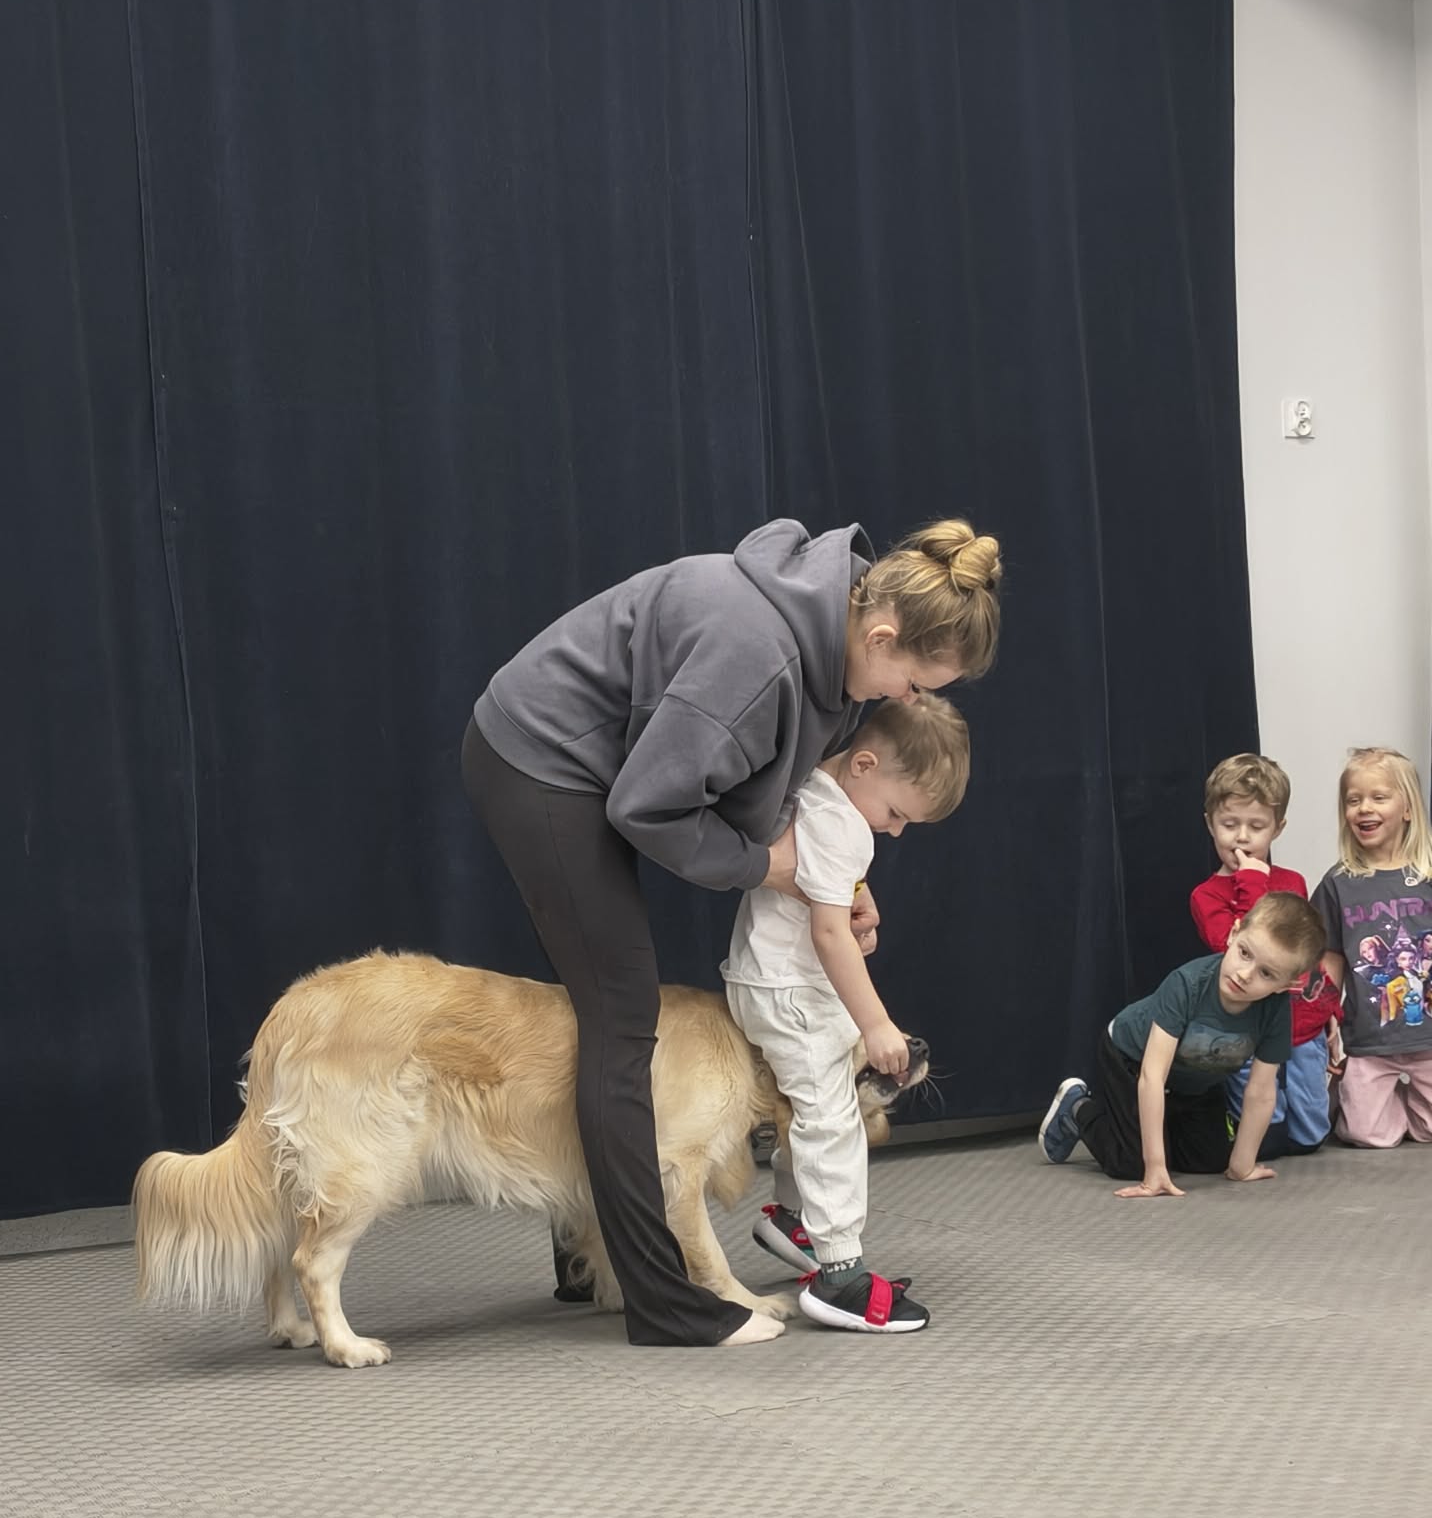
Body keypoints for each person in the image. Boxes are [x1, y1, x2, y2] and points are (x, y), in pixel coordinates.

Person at [463, 516, 1002, 1347]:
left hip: (609, 765)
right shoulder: (760, 654)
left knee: (603, 1007)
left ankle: (588, 1256)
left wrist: (841, 888)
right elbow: (650, 807)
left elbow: (774, 794)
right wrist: (769, 869)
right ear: (881, 635)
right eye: (911, 683)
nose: (906, 702)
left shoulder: (835, 646)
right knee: (622, 1015)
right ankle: (663, 1299)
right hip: (540, 756)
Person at [722, 694, 969, 1333]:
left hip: (762, 980)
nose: (895, 831)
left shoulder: (810, 786)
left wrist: (858, 896)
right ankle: (840, 1276)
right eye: (896, 813)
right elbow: (830, 935)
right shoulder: (846, 826)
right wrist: (876, 1024)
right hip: (796, 992)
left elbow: (823, 895)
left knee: (809, 1109)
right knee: (833, 1122)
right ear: (864, 764)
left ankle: (794, 1222)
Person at [1038, 892, 1326, 1195]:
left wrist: (1243, 1165)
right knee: (1130, 1163)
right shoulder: (1188, 984)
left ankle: (1159, 1129)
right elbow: (1152, 1076)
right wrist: (1154, 1168)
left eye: (1266, 974)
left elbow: (1262, 1091)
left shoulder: (1276, 1011)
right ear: (1234, 933)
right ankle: (1078, 1108)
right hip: (1133, 1058)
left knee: (1210, 1160)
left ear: (1286, 985)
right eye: (1244, 953)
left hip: (1195, 1077)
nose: (1245, 974)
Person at [1188, 753, 1339, 1157]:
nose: (1241, 838)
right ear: (1210, 824)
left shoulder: (1292, 882)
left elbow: (1307, 957)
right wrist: (1251, 881)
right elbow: (1239, 948)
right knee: (1265, 1137)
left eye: (1256, 827)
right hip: (1246, 1028)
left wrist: (1330, 1011)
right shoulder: (1206, 896)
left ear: (1277, 828)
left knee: (1309, 1136)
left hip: (1300, 1024)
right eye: (1229, 825)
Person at [1311, 747, 1432, 1147]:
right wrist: (1326, 1015)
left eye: (1379, 797)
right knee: (1366, 1135)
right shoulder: (1338, 882)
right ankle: (1366, 1097)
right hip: (1368, 1039)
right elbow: (1330, 958)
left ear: (1408, 808)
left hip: (1428, 1037)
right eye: (1354, 800)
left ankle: (1406, 1102)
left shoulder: (1428, 874)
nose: (1365, 808)